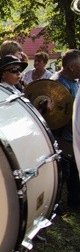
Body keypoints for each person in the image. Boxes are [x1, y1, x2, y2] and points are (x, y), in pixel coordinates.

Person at [51, 49, 80, 209]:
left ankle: (75, 200)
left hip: (71, 133)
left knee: (74, 170)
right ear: (72, 67)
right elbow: (57, 116)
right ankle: (55, 204)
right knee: (63, 171)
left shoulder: (73, 81)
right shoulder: (57, 84)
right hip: (61, 136)